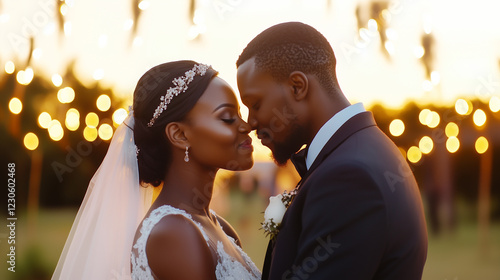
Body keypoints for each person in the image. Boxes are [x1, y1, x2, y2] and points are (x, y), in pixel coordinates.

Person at [236, 22, 428, 280]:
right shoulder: (366, 149)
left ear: (297, 87)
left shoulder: (349, 177)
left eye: (255, 104)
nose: (251, 123)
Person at [52, 60, 261, 280]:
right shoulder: (175, 234)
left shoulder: (221, 228)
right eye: (228, 118)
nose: (246, 126)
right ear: (179, 135)